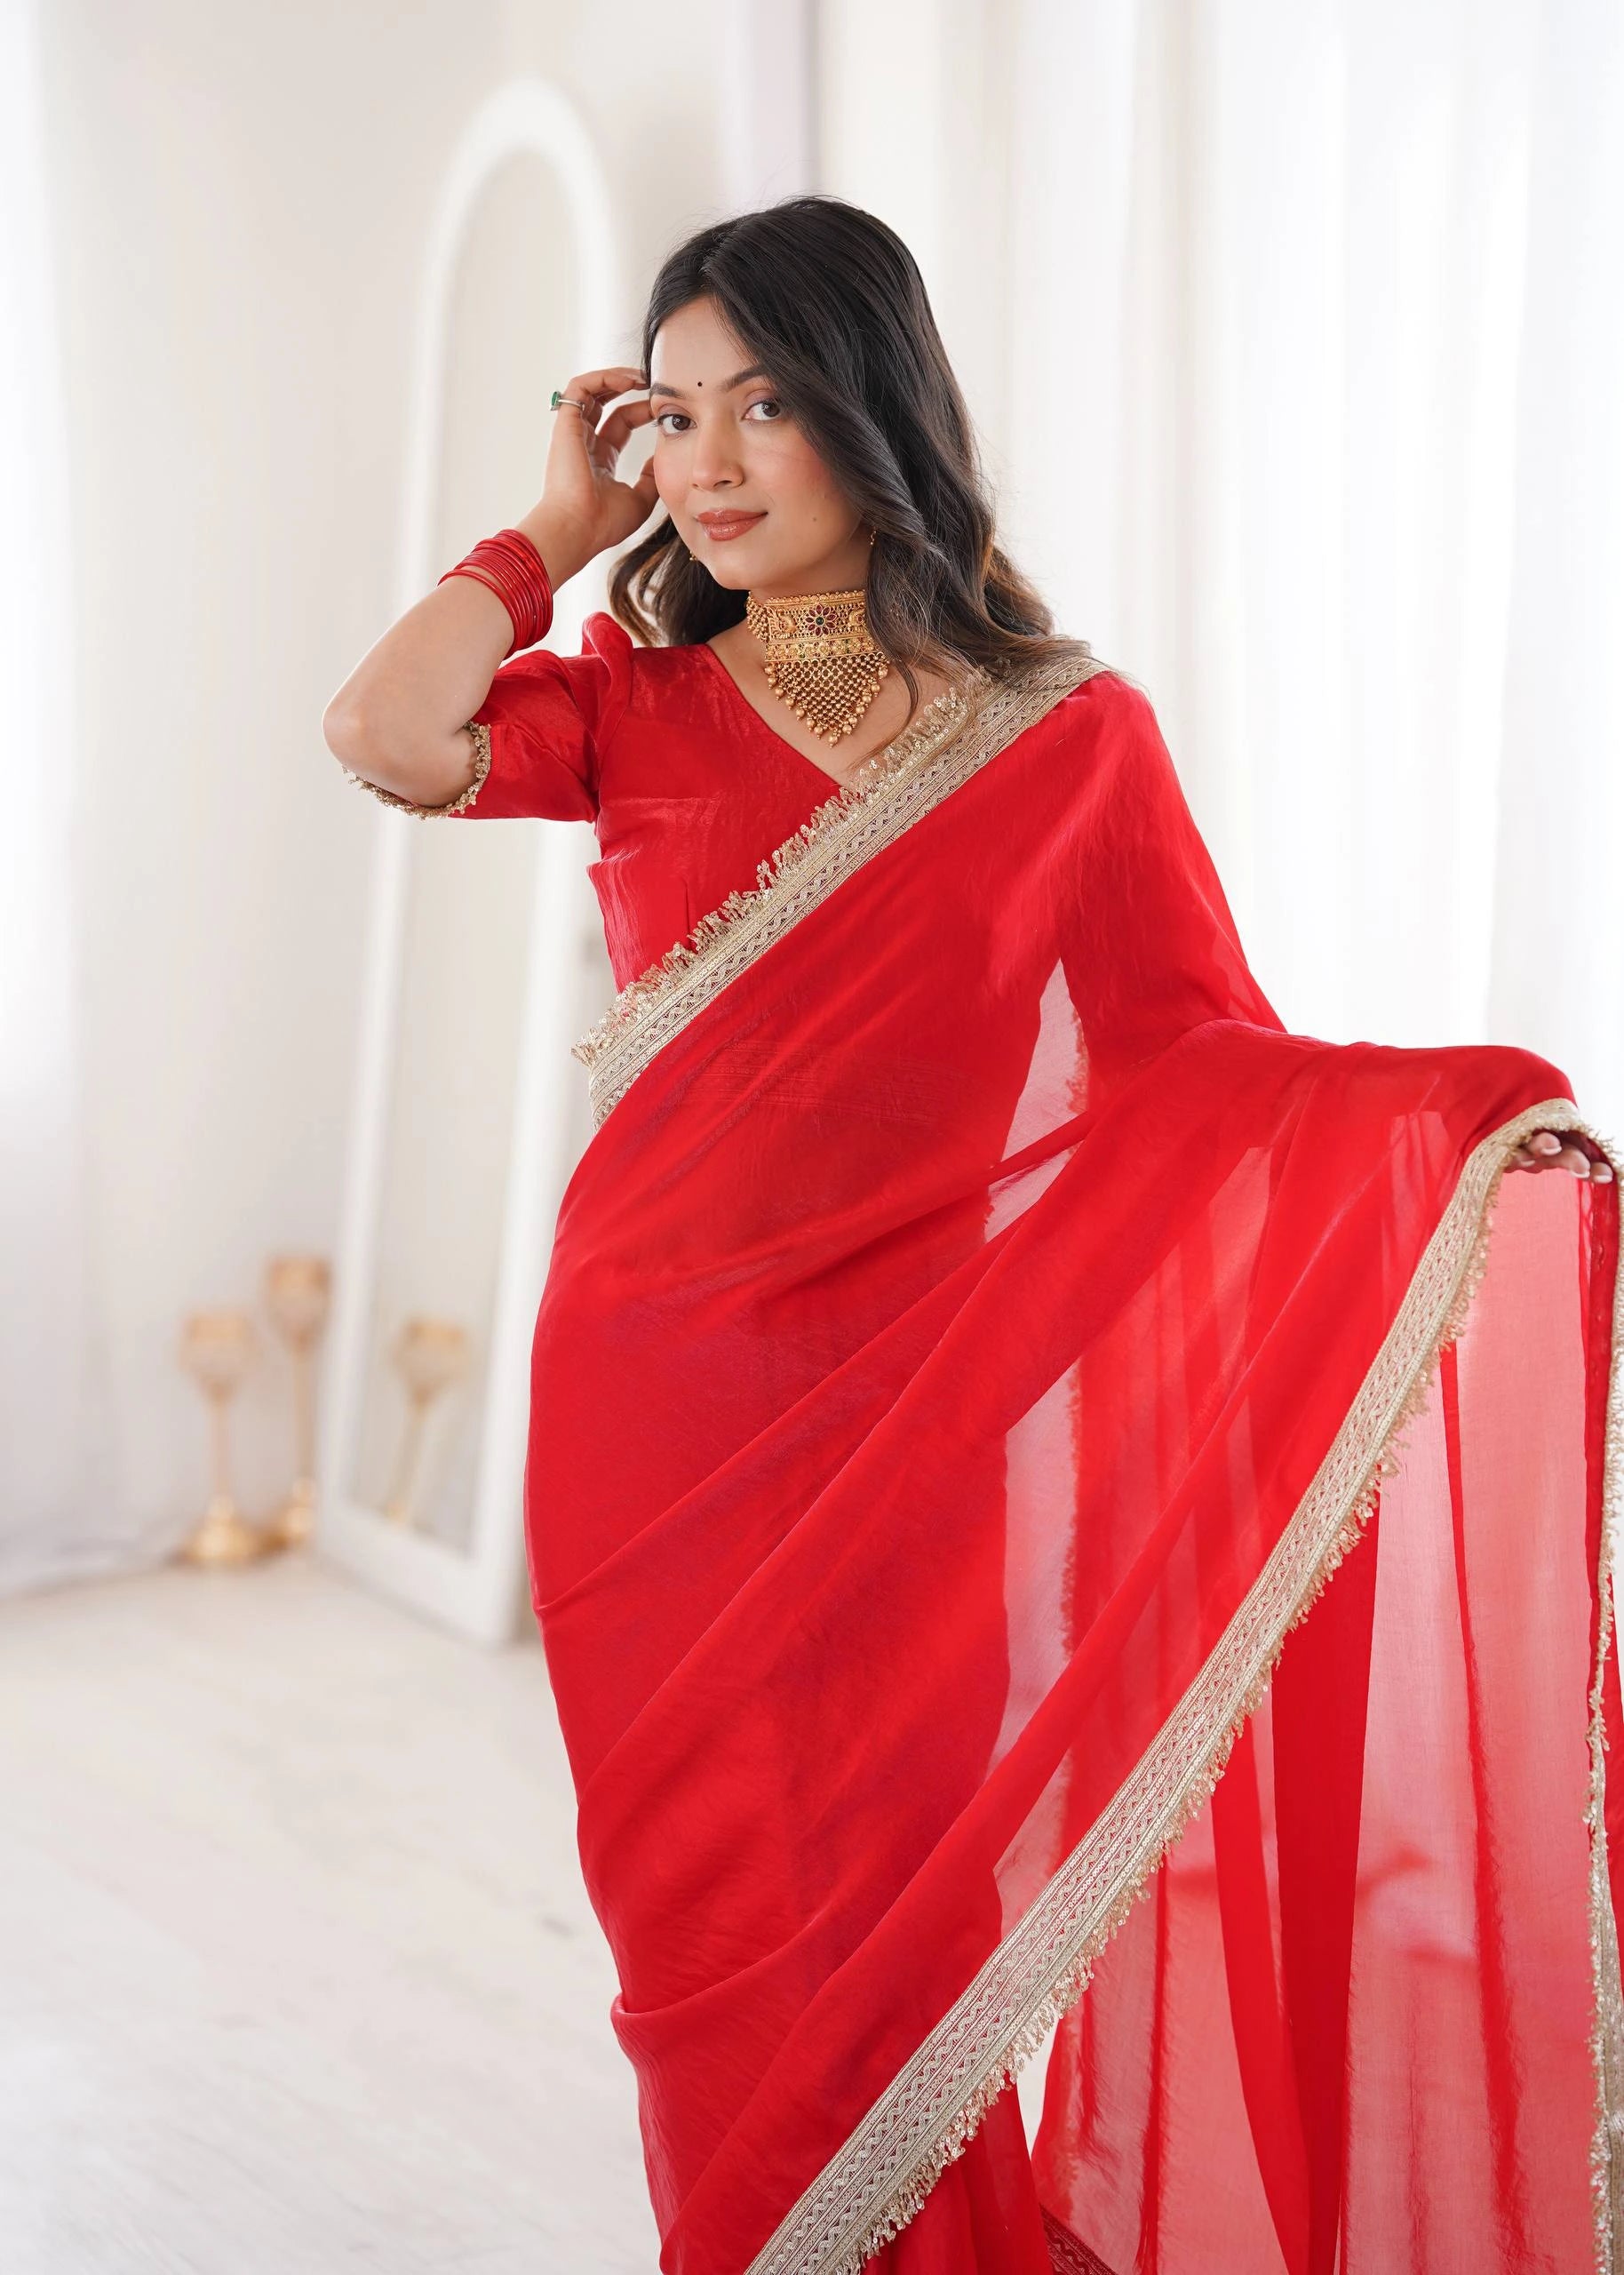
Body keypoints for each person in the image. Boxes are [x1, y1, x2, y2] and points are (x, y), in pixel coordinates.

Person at [322, 196, 1622, 2275]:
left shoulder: (1062, 734)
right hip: (648, 1413)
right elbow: (383, 732)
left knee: (896, 1927)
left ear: (874, 410)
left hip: (912, 1414)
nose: (717, 460)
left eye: (767, 403)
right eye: (675, 416)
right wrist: (548, 532)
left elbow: (1198, 1061)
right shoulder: (634, 708)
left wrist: (1450, 1128)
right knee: (712, 1946)